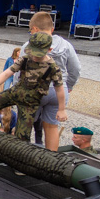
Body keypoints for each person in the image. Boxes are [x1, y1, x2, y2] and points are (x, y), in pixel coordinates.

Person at [0, 33, 67, 141]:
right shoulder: (25, 59)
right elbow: (7, 73)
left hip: (30, 102)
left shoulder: (52, 67)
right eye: (33, 53)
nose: (34, 57)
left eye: (38, 54)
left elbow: (60, 89)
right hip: (16, 92)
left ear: (49, 50)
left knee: (22, 137)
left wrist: (61, 109)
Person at [22, 11, 80, 152]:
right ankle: (50, 162)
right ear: (52, 29)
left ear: (35, 29)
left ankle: (21, 162)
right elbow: (75, 69)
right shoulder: (66, 45)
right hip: (58, 91)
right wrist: (69, 85)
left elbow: (20, 71)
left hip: (35, 90)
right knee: (52, 126)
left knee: (25, 125)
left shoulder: (28, 46)